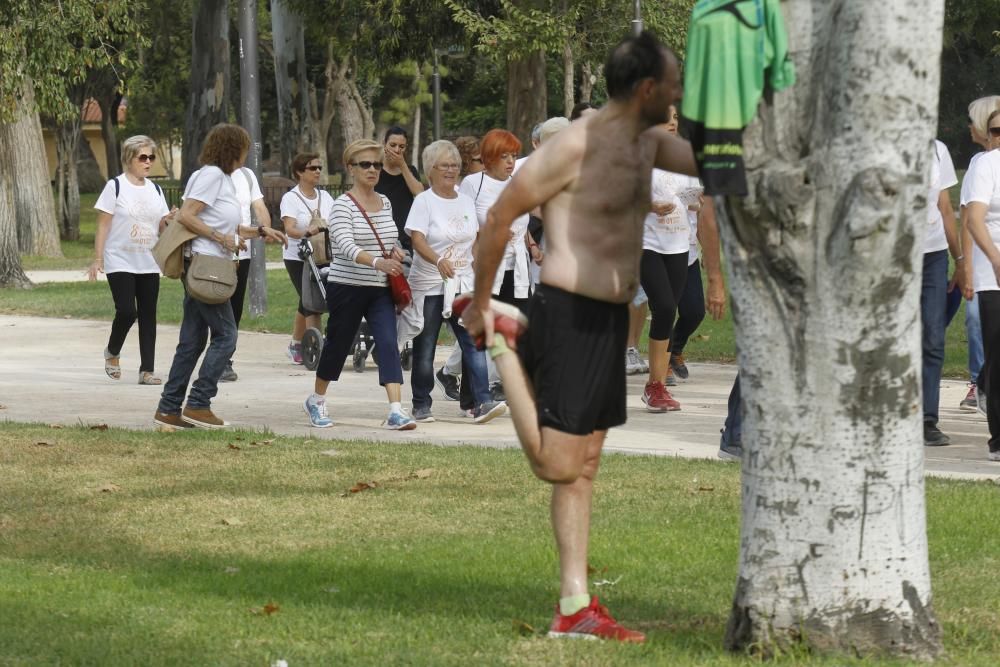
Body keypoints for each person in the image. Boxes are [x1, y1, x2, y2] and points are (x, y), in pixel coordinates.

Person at [460, 30, 696, 642]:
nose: (678, 94)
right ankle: (506, 343)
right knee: (555, 462)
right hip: (567, 310)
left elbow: (713, 166)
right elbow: (498, 217)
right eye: (672, 83)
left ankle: (574, 606)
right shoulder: (574, 147)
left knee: (584, 466)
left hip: (609, 320)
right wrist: (484, 303)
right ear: (647, 88)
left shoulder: (643, 144)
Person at [154, 124, 286, 429]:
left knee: (192, 341)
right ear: (231, 148)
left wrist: (260, 231)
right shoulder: (212, 175)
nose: (246, 154)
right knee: (227, 336)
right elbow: (187, 215)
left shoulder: (223, 179)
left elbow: (224, 224)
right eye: (244, 147)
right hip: (207, 267)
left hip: (207, 265)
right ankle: (199, 403)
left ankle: (169, 408)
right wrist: (221, 239)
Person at [303, 139, 415, 431]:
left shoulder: (385, 202)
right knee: (339, 344)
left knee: (389, 343)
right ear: (350, 168)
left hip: (380, 288)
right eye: (365, 164)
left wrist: (396, 251)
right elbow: (346, 245)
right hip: (347, 286)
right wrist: (379, 262)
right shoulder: (342, 205)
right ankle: (317, 399)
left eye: (376, 165)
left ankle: (395, 410)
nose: (372, 170)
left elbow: (390, 238)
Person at [403, 140, 506, 424]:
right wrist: (438, 260)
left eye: (455, 165)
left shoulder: (464, 200)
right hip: (431, 283)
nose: (451, 170)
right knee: (426, 346)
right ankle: (421, 403)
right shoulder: (424, 201)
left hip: (462, 282)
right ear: (431, 170)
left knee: (474, 342)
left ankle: (482, 402)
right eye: (445, 165)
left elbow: (473, 238)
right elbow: (418, 239)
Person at [89, 135, 174, 385]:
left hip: (148, 261)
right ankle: (112, 352)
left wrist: (168, 219)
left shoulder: (156, 189)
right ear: (129, 158)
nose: (148, 162)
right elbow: (103, 226)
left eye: (151, 157)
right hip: (120, 259)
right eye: (143, 157)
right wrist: (98, 257)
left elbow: (159, 227)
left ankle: (147, 370)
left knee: (149, 315)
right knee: (127, 311)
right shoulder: (115, 186)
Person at [638, 104, 691, 411]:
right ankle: (655, 384)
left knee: (667, 315)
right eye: (664, 118)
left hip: (679, 244)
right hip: (646, 244)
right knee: (666, 306)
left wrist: (693, 202)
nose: (672, 123)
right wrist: (650, 205)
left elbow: (691, 193)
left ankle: (655, 386)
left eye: (674, 118)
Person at [958, 96, 1000, 412]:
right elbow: (968, 221)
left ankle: (985, 382)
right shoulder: (978, 165)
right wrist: (967, 267)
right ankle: (982, 383)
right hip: (986, 268)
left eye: (974, 121)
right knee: (980, 328)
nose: (970, 127)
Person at [921, 138, 962, 446]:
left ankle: (927, 420)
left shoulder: (938, 149)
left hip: (933, 255)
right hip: (891, 256)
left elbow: (945, 207)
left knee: (933, 337)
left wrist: (959, 259)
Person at [279, 153, 335, 365]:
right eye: (312, 168)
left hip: (324, 254)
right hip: (298, 256)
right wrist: (307, 231)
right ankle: (314, 345)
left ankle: (296, 343)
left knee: (312, 298)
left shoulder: (326, 197)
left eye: (319, 167)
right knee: (310, 299)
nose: (318, 171)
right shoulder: (291, 198)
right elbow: (289, 229)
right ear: (300, 172)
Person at [667, 194, 726, 384]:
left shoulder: (693, 177)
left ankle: (674, 349)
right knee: (664, 309)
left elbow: (702, 218)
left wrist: (707, 253)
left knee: (695, 311)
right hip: (660, 251)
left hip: (688, 253)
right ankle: (662, 364)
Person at [223, 159, 273, 381]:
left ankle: (225, 359)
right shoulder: (210, 174)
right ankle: (216, 357)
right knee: (215, 307)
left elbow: (259, 206)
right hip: (215, 252)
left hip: (242, 252)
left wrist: (267, 228)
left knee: (234, 308)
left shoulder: (247, 175)